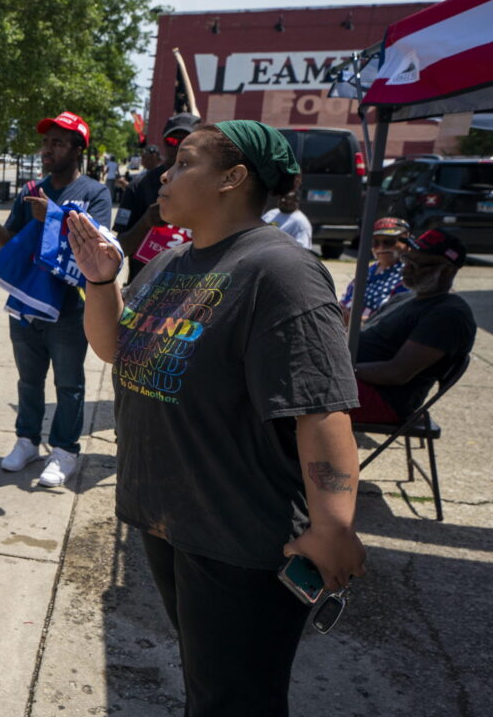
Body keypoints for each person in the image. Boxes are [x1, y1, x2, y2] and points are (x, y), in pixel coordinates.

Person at [68, 119, 367, 716]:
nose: (165, 174)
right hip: (171, 521)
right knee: (208, 685)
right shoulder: (174, 260)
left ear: (233, 178)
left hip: (238, 538)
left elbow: (320, 405)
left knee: (234, 700)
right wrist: (103, 281)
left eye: (183, 163)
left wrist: (333, 525)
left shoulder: (280, 272)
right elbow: (116, 348)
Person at [0, 111, 112, 488]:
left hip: (70, 308)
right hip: (26, 304)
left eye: (58, 143)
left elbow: (98, 247)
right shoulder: (31, 190)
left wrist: (53, 215)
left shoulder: (95, 194)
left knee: (68, 384)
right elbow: (9, 240)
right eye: (46, 142)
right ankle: (27, 441)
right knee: (28, 381)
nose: (48, 149)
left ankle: (65, 450)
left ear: (78, 149)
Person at [352, 229, 475, 424]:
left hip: (380, 398)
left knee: (294, 388)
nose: (406, 268)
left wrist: (344, 370)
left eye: (417, 264)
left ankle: (300, 451)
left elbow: (398, 372)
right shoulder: (405, 298)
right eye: (407, 260)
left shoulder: (448, 314)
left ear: (447, 271)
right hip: (354, 382)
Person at [114, 113, 200, 281]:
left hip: (190, 294)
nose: (178, 147)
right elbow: (119, 249)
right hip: (142, 293)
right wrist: (146, 222)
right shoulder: (139, 186)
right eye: (172, 141)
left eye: (186, 141)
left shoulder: (210, 187)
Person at [340, 216, 410, 325]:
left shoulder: (408, 275)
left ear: (406, 241)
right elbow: (347, 299)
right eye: (375, 243)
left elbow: (394, 317)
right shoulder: (370, 270)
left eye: (388, 242)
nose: (381, 247)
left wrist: (354, 321)